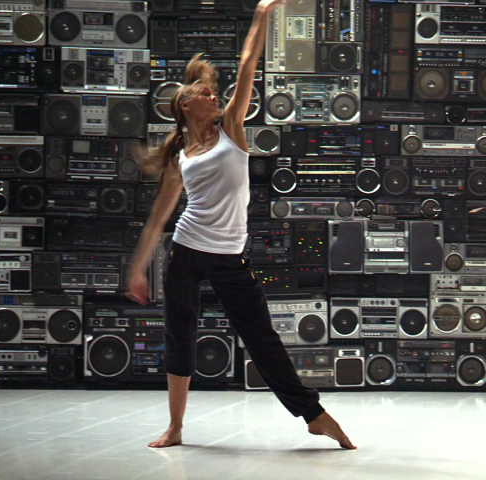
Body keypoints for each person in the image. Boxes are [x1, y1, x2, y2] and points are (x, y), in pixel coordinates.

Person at [126, 0, 356, 450]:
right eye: (204, 94)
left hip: (229, 257)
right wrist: (137, 268)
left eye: (215, 93)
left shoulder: (232, 127)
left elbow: (249, 62)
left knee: (261, 338)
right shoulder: (180, 155)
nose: (214, 97)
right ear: (185, 104)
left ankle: (313, 415)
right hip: (187, 252)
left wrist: (262, 14)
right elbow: (158, 220)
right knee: (179, 336)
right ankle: (175, 427)